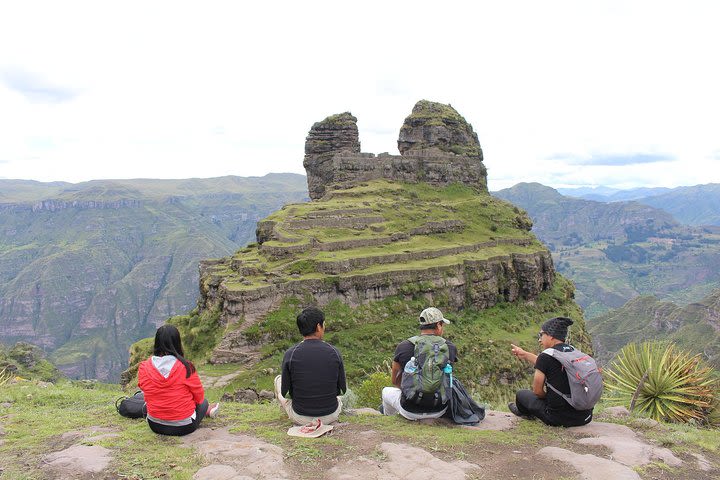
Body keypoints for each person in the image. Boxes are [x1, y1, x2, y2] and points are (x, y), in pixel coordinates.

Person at [508, 316, 593, 427]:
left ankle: (524, 413)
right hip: (585, 417)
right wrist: (524, 354)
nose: (539, 339)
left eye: (541, 335)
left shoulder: (546, 356)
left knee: (521, 395)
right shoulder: (572, 352)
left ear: (551, 336)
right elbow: (546, 364)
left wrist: (551, 398)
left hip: (558, 418)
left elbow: (537, 391)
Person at [138, 325, 219, 436]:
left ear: (156, 342)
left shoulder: (144, 366)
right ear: (177, 342)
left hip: (155, 424)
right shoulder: (186, 367)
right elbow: (199, 397)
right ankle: (207, 411)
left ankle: (206, 411)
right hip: (183, 427)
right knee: (204, 403)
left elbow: (143, 388)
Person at [381, 307, 458, 420]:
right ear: (438, 325)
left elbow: (394, 381)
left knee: (386, 391)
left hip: (409, 410)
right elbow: (448, 378)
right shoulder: (450, 347)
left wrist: (411, 393)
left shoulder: (403, 346)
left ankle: (390, 420)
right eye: (442, 325)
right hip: (439, 409)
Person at [274, 307, 347, 425]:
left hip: (301, 417)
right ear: (318, 327)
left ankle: (285, 414)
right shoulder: (334, 352)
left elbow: (285, 392)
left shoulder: (290, 354)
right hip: (331, 415)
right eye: (324, 324)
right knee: (339, 399)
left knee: (278, 380)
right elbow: (342, 390)